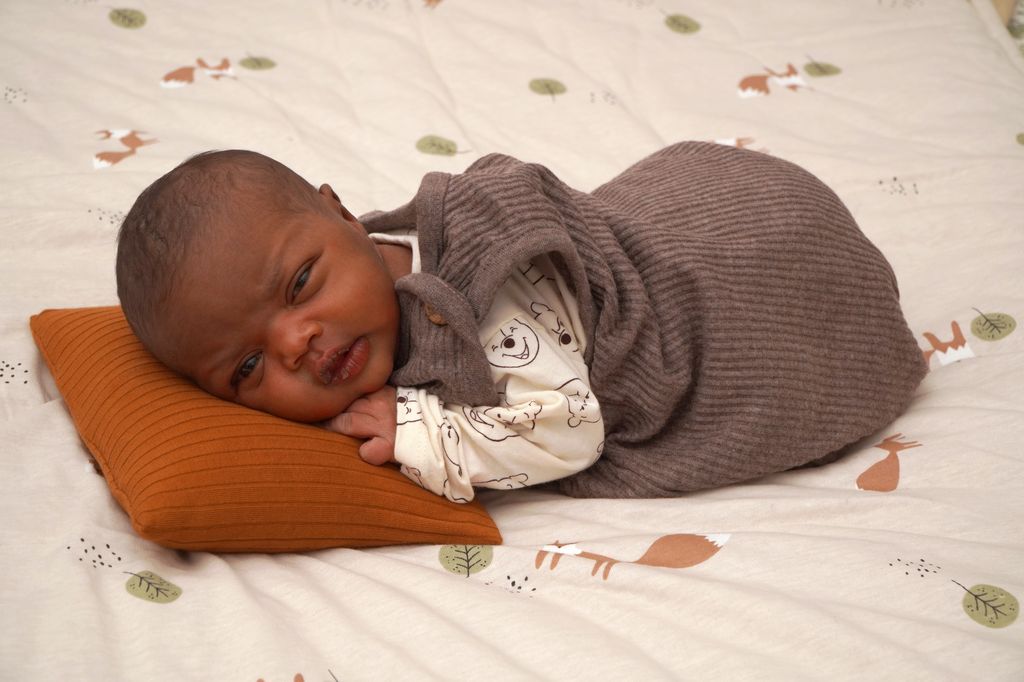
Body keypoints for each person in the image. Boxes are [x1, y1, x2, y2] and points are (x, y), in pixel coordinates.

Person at [115, 143, 927, 503]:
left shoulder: (482, 289)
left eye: (300, 283)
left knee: (727, 284)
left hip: (753, 249)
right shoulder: (359, 280)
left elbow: (569, 431)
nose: (296, 343)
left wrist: (423, 434)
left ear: (344, 214)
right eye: (247, 369)